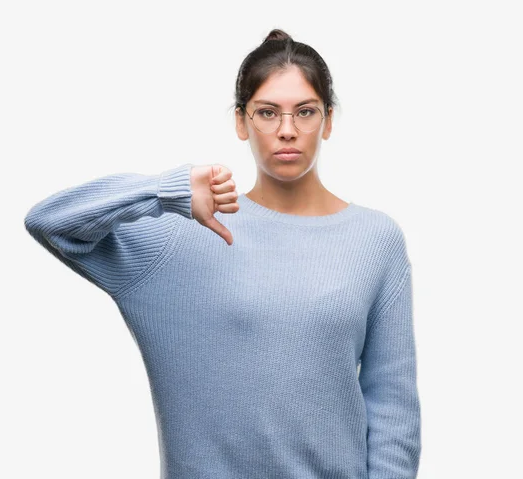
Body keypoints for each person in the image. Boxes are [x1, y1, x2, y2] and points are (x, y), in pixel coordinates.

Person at [24, 28, 421, 479]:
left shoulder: (375, 240)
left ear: (328, 120)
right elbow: (51, 222)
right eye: (267, 113)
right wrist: (163, 191)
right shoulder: (181, 237)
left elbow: (392, 405)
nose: (286, 131)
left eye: (305, 112)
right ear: (240, 121)